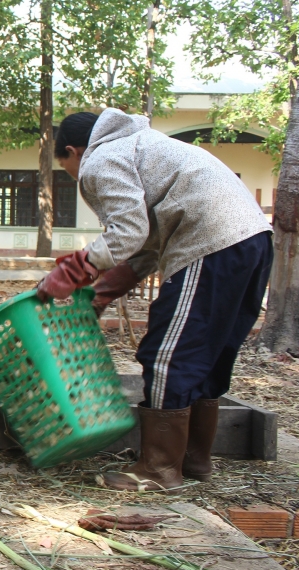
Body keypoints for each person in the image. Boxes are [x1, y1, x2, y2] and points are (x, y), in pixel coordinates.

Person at [36, 108, 273, 492]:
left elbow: (127, 231)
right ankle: (193, 459)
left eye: (67, 168)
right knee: (206, 353)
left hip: (210, 241)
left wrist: (71, 272)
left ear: (74, 151)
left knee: (167, 354)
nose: (77, 177)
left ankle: (159, 469)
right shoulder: (142, 146)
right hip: (253, 240)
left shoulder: (102, 158)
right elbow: (146, 248)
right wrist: (100, 293)